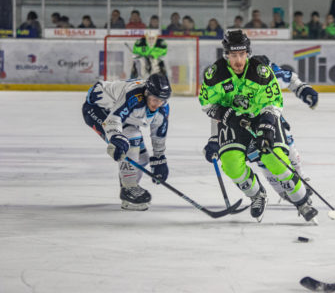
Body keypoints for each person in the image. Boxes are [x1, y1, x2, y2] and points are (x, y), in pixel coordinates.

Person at [198, 30, 318, 222]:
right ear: (226, 54)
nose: (238, 60)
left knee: (276, 160)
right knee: (230, 163)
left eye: (242, 54)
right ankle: (256, 195)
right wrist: (225, 117)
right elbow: (207, 104)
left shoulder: (260, 71)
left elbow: (274, 102)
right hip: (232, 121)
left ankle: (302, 201)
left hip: (261, 117)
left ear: (248, 53)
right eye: (233, 55)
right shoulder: (215, 74)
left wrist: (267, 127)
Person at [82, 74, 171, 211]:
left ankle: (129, 189)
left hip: (122, 117)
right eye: (154, 99)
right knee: (130, 137)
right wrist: (116, 137)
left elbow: (159, 133)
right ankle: (129, 188)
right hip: (97, 109)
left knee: (142, 158)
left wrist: (159, 157)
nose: (157, 104)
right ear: (147, 93)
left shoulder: (162, 108)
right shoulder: (134, 97)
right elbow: (114, 118)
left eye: (161, 101)